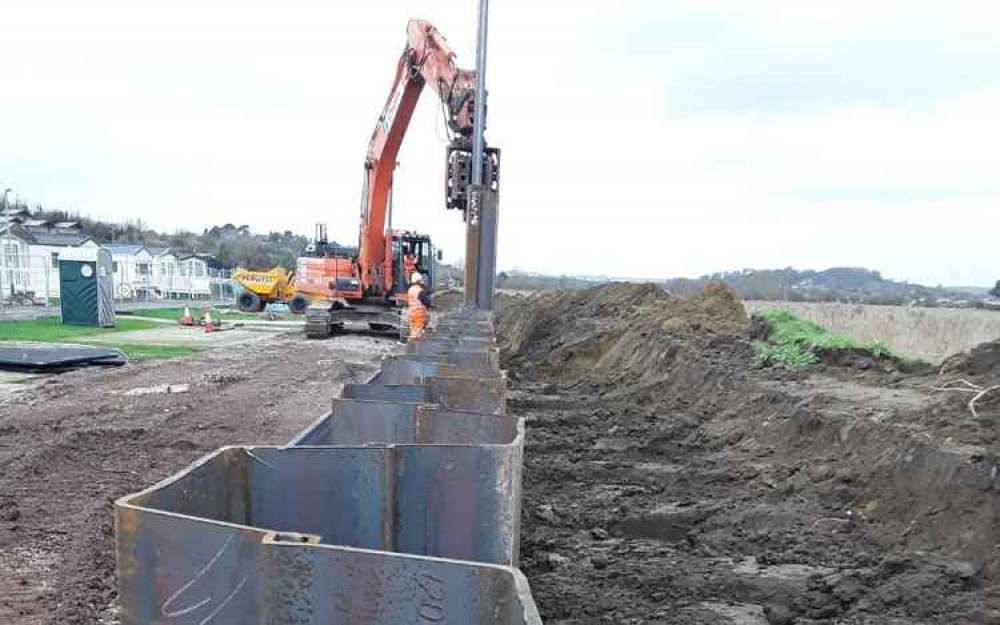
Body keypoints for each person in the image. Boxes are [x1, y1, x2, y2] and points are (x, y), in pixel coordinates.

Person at [407, 272, 430, 341]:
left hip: (412, 314)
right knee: (416, 334)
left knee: (414, 330)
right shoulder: (419, 291)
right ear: (418, 280)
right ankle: (412, 347)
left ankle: (413, 346)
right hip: (419, 314)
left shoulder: (410, 289)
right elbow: (427, 302)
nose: (422, 281)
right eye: (421, 280)